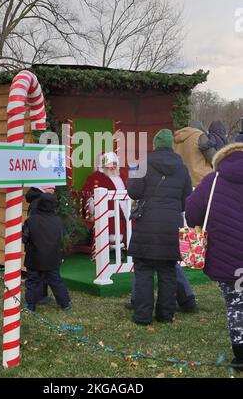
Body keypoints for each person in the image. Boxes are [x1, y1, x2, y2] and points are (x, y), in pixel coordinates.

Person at [185, 142, 243, 372]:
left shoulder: (214, 180)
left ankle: (240, 355)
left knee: (236, 303)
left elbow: (191, 214)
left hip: (226, 253)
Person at [127, 129, 192, 325]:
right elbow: (186, 198)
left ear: (154, 145)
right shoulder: (182, 168)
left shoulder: (143, 165)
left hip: (146, 224)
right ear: (171, 145)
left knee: (144, 272)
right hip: (171, 225)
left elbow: (134, 192)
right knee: (167, 273)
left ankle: (143, 316)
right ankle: (165, 315)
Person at [23, 189, 71, 312]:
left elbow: (24, 238)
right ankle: (65, 304)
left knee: (33, 282)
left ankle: (30, 306)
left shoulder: (31, 221)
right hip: (52, 257)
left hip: (34, 257)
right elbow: (60, 238)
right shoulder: (58, 221)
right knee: (56, 281)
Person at [82, 152, 128, 249]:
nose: (112, 166)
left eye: (114, 163)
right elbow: (88, 194)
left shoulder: (121, 177)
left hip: (123, 207)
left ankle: (127, 242)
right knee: (113, 216)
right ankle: (113, 242)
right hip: (106, 209)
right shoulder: (95, 177)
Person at [174, 121, 213, 187]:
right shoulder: (200, 136)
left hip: (182, 180)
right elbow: (213, 158)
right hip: (200, 179)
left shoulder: (176, 138)